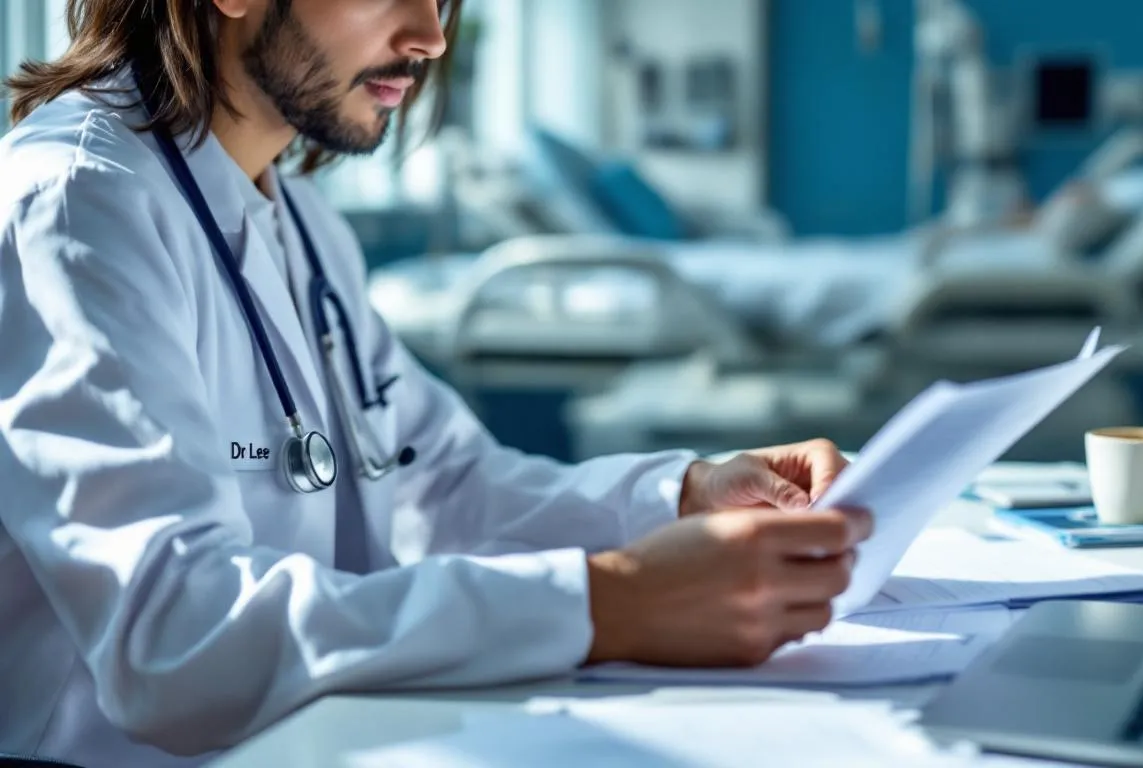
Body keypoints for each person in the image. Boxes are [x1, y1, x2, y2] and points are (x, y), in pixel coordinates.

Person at [0, 1, 872, 766]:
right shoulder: (75, 204)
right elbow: (175, 637)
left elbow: (443, 482)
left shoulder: (296, 216)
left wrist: (683, 497)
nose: (430, 36)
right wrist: (611, 600)